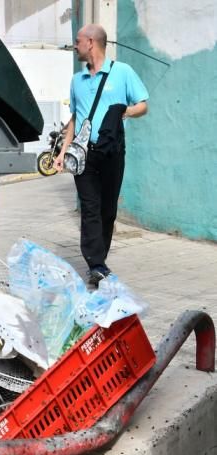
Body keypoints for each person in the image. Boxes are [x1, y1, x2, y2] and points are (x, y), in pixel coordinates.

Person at [54, 24, 149, 286]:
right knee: (90, 209)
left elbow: (143, 105)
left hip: (113, 152)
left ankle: (100, 260)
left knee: (108, 211)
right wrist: (63, 151)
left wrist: (123, 112)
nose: (75, 45)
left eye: (78, 41)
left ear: (91, 43)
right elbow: (75, 118)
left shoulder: (122, 72)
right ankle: (95, 264)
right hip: (84, 154)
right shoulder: (77, 80)